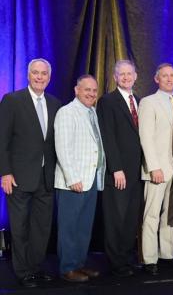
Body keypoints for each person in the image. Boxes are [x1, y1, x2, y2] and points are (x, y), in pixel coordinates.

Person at [0, 58, 61, 288]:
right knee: (20, 227)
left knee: (41, 227)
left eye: (43, 73)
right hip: (18, 178)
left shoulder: (55, 104)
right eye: (35, 73)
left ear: (49, 76)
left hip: (46, 178)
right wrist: (5, 172)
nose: (39, 77)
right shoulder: (12, 100)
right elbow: (2, 139)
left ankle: (35, 268)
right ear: (28, 75)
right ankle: (22, 271)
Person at [54, 75, 105, 282]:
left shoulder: (91, 112)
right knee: (69, 227)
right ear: (77, 90)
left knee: (84, 226)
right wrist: (72, 177)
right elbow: (63, 148)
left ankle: (79, 264)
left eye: (94, 90)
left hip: (90, 178)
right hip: (73, 182)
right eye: (87, 90)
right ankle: (67, 268)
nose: (91, 93)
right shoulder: (67, 112)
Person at [96, 60, 143, 277]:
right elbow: (108, 136)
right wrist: (116, 168)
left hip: (137, 171)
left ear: (135, 76)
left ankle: (125, 258)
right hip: (118, 172)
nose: (125, 77)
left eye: (129, 74)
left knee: (131, 217)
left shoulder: (140, 101)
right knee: (116, 217)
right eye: (121, 74)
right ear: (115, 77)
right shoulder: (107, 101)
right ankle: (116, 262)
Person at [139, 63, 173, 275]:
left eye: (172, 75)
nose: (169, 79)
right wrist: (153, 167)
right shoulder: (149, 102)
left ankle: (166, 254)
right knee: (151, 214)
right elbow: (146, 136)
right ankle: (149, 259)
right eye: (164, 76)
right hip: (157, 167)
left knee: (171, 214)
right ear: (156, 79)